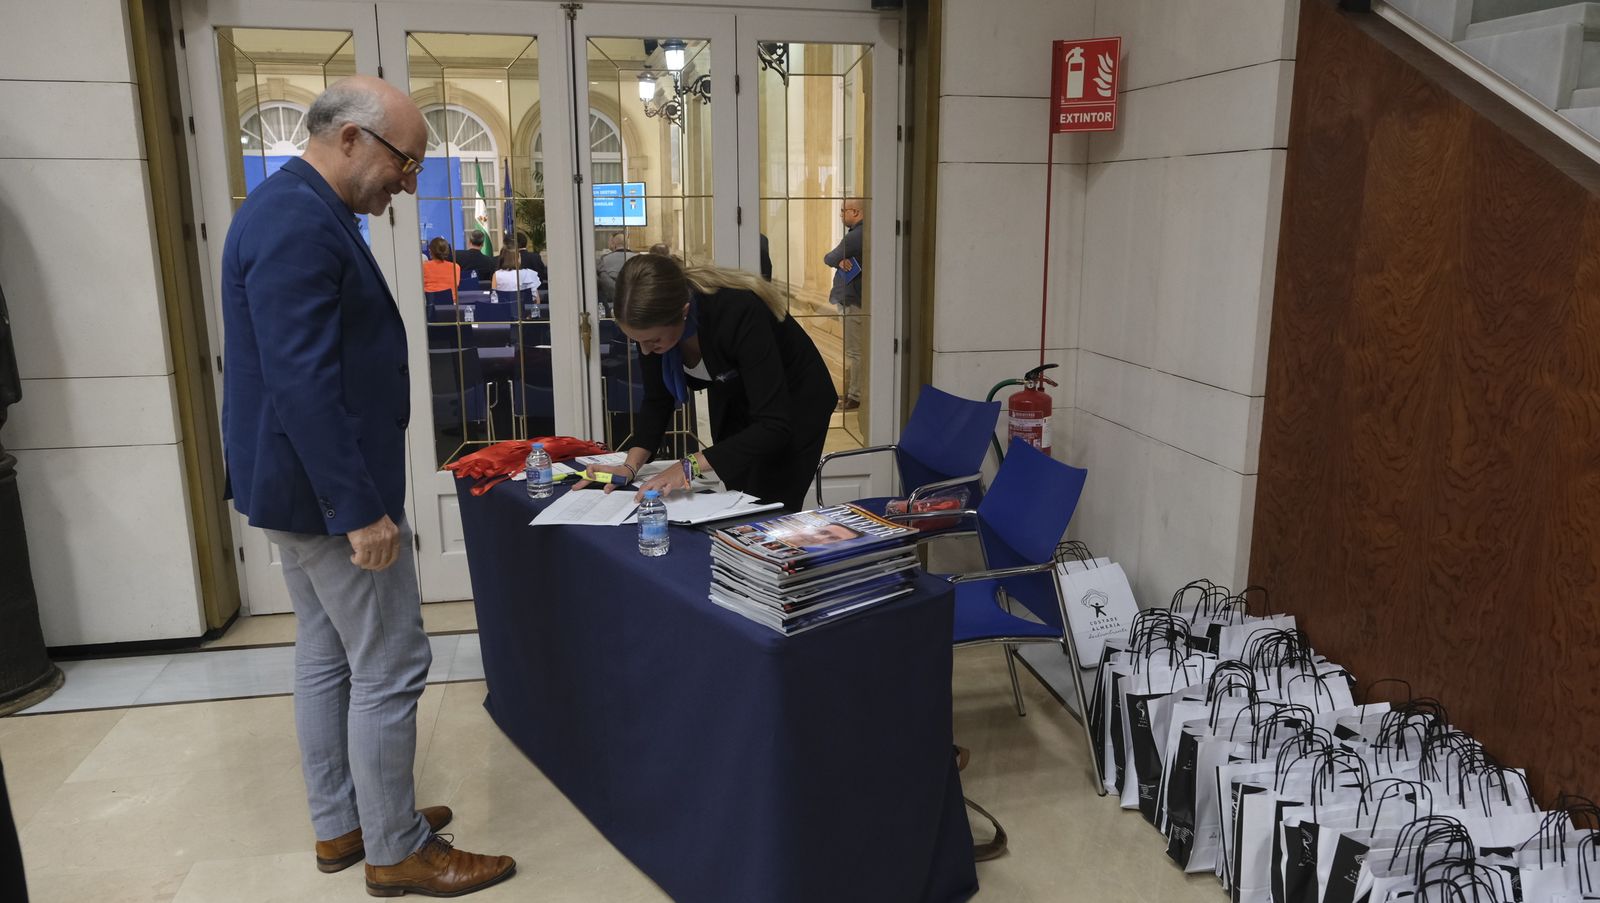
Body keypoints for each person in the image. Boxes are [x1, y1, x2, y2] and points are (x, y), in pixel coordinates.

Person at [219, 75, 515, 898]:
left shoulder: (295, 209)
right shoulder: (296, 221)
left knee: (326, 654)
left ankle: (346, 820)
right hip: (324, 494)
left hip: (292, 486)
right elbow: (302, 381)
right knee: (390, 660)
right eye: (405, 162)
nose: (408, 183)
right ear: (349, 137)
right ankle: (396, 847)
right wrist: (358, 510)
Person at [575, 254, 837, 510]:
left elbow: (773, 424)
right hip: (735, 394)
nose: (645, 351)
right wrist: (629, 466)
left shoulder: (737, 311)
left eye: (653, 341)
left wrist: (687, 466)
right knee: (736, 496)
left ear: (684, 312)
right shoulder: (654, 329)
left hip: (796, 402)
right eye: (637, 341)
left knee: (767, 505)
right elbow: (657, 400)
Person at [822, 198, 865, 411]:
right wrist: (840, 261)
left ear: (855, 212)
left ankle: (855, 396)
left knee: (855, 352)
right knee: (854, 351)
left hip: (852, 301)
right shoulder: (860, 233)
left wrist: (837, 259)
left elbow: (829, 257)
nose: (840, 215)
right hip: (852, 298)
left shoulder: (856, 236)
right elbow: (836, 259)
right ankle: (853, 393)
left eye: (843, 210)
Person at [595, 230, 637, 302]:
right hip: (633, 298)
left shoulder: (604, 259)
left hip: (612, 299)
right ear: (627, 244)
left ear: (614, 244)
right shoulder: (638, 258)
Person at [421, 236, 459, 301]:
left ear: (430, 251)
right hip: (451, 304)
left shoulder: (423, 267)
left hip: (429, 303)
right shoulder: (456, 267)